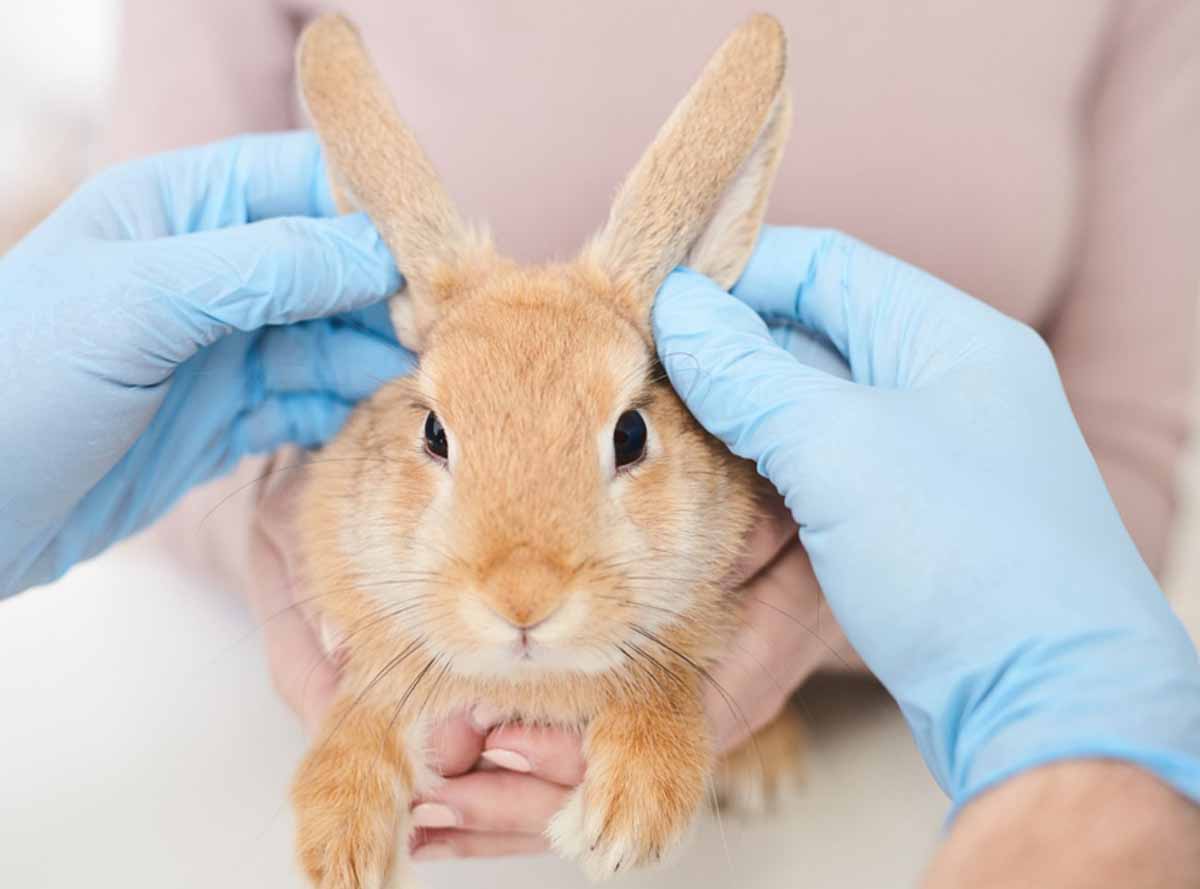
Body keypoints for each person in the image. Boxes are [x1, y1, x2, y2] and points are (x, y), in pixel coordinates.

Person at [2, 135, 1200, 887]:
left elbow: (1121, 465)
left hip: (867, 792)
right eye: (435, 433)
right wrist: (280, 566)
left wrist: (766, 651)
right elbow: (186, 400)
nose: (523, 587)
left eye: (627, 436)